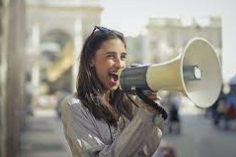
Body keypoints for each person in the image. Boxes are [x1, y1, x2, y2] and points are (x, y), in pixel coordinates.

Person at [61, 26, 164, 157]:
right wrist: (143, 117)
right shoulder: (74, 106)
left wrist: (152, 112)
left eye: (122, 57)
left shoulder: (129, 102)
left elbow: (144, 152)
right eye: (110, 56)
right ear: (91, 60)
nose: (120, 64)